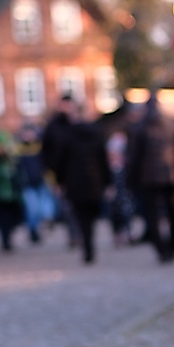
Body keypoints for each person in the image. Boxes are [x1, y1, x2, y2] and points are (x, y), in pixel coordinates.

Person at [127, 95, 174, 263]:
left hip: (149, 179)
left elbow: (134, 158)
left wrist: (131, 180)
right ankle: (173, 247)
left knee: (152, 215)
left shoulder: (140, 128)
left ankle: (161, 249)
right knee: (173, 213)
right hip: (170, 176)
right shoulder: (171, 125)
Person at [52, 109, 111, 264]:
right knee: (91, 216)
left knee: (80, 217)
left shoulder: (68, 137)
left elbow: (60, 163)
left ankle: (87, 245)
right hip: (95, 182)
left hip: (75, 183)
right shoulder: (97, 135)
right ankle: (89, 243)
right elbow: (104, 161)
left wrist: (59, 182)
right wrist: (108, 182)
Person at [0, 125, 25, 251]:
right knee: (2, 220)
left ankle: (8, 238)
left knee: (13, 219)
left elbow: (19, 174)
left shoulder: (12, 160)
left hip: (13, 195)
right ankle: (5, 241)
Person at [15, 122, 53, 243]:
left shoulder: (39, 147)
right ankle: (33, 230)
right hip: (27, 183)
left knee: (45, 207)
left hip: (41, 181)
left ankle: (46, 222)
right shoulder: (19, 149)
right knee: (32, 209)